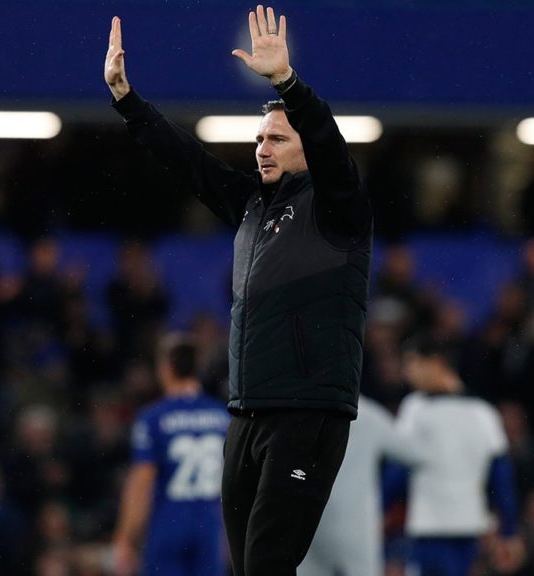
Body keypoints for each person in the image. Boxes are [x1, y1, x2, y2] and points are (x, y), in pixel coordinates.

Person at [105, 6, 372, 575]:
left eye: (277, 138)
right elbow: (191, 164)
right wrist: (128, 102)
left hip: (306, 413)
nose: (262, 148)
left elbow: (329, 145)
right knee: (247, 568)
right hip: (247, 412)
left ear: (306, 147)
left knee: (268, 564)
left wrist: (288, 84)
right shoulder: (253, 206)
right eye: (259, 139)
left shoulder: (337, 208)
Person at [394, 339, 524, 576]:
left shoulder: (415, 409)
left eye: (412, 364)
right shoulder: (484, 413)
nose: (407, 373)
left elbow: (398, 469)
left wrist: (377, 506)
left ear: (435, 363)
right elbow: (501, 477)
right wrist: (509, 530)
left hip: (434, 532)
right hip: (468, 529)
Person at [113, 334, 230, 576]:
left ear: (165, 368)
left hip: (169, 523)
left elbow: (142, 481)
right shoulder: (223, 417)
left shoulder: (154, 418)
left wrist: (125, 537)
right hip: (210, 526)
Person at [298, 395, 416, 576]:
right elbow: (413, 452)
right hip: (355, 523)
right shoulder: (368, 413)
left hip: (309, 518)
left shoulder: (303, 406)